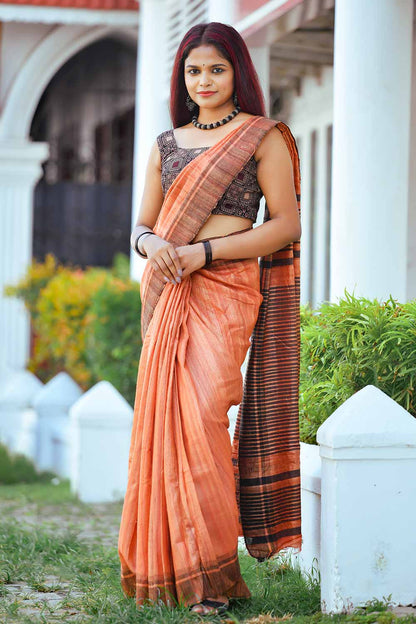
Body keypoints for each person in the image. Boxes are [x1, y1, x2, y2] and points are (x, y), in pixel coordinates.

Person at [118, 21, 302, 617]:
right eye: (194, 70)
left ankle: (216, 573)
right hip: (171, 289)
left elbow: (285, 225)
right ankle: (180, 570)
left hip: (225, 286)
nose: (204, 81)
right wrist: (154, 249)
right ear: (183, 77)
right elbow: (141, 226)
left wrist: (203, 253)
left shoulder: (262, 137)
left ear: (238, 73)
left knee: (200, 414)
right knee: (168, 420)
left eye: (216, 69)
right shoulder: (167, 144)